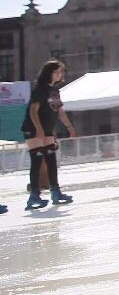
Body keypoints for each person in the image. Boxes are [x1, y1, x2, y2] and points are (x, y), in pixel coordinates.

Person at [22, 59, 75, 210]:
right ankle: (34, 195)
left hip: (47, 129)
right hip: (33, 128)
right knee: (37, 160)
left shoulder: (55, 91)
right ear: (49, 73)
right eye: (57, 71)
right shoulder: (40, 89)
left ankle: (55, 192)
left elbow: (59, 111)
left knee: (51, 159)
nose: (60, 75)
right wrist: (38, 128)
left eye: (61, 72)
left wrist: (69, 126)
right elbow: (33, 111)